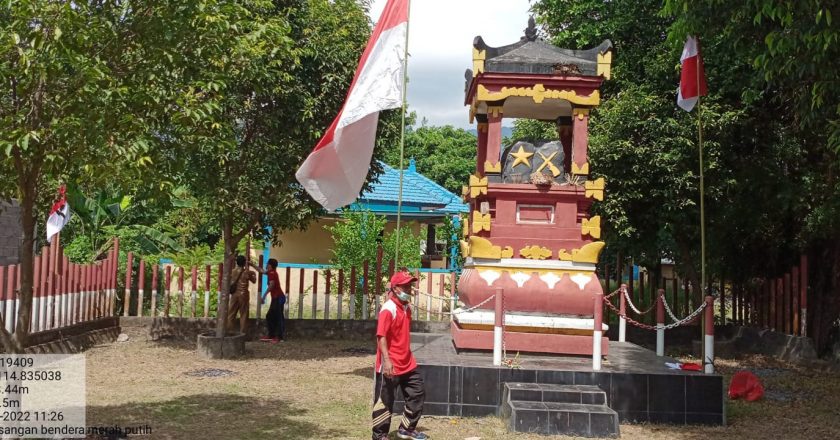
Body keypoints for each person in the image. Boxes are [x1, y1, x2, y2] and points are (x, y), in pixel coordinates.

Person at [372, 270, 428, 440]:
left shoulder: (406, 308)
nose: (409, 289)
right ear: (395, 288)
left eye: (410, 286)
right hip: (390, 364)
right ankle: (380, 435)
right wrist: (387, 361)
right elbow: (381, 336)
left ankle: (406, 429)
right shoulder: (388, 309)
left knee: (417, 393)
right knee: (385, 401)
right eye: (405, 286)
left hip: (407, 362)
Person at [251, 258, 285, 343]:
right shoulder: (271, 272)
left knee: (277, 317)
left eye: (267, 264)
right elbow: (261, 271)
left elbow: (271, 285)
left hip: (278, 297)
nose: (266, 265)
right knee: (270, 316)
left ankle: (279, 337)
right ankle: (272, 335)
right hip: (277, 298)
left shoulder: (272, 273)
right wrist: (252, 265)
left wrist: (264, 296)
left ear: (270, 265)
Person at [227, 255, 256, 335]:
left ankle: (229, 332)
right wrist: (254, 273)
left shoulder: (233, 271)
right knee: (244, 314)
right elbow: (254, 281)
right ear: (244, 263)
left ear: (237, 262)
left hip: (234, 295)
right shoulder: (247, 272)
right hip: (244, 295)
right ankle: (243, 333)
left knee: (231, 314)